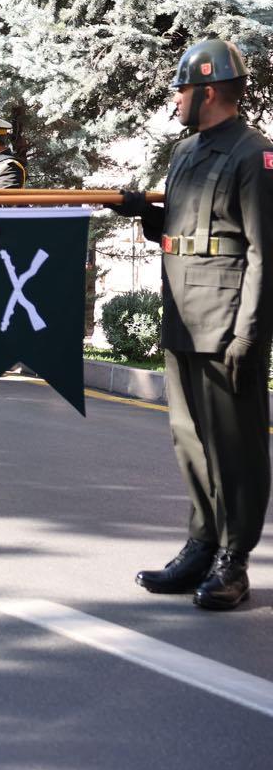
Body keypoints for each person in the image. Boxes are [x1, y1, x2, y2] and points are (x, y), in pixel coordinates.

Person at [110, 39, 273, 611]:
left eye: (181, 88)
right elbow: (182, 233)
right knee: (191, 441)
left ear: (207, 91)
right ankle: (202, 543)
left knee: (236, 446)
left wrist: (251, 332)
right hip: (182, 314)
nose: (175, 99)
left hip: (226, 321)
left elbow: (262, 252)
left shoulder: (255, 154)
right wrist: (143, 213)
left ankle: (234, 558)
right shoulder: (185, 153)